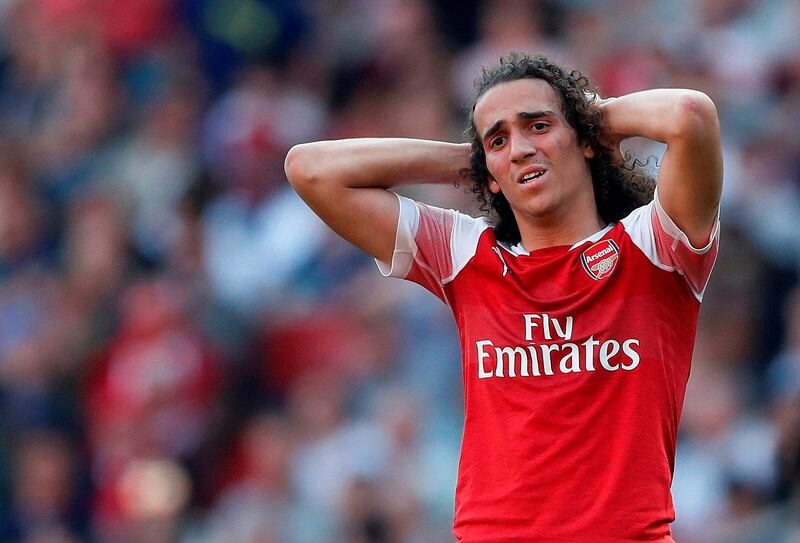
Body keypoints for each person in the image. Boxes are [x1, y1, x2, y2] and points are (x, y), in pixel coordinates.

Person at [284, 52, 722, 542]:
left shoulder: (654, 247)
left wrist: (587, 118)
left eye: (538, 125)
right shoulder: (466, 256)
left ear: (587, 143)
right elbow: (311, 168)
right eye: (499, 138)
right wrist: (475, 159)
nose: (519, 149)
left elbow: (690, 116)